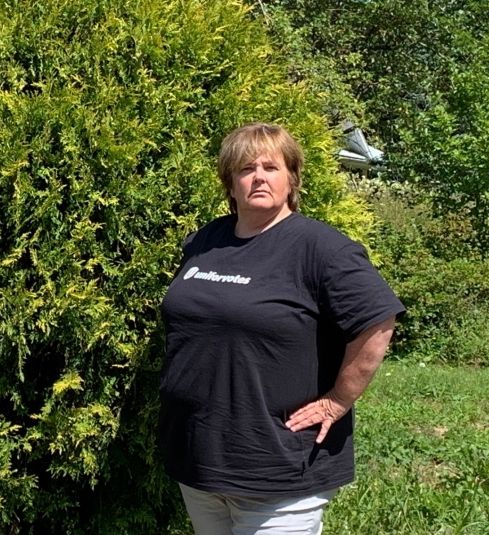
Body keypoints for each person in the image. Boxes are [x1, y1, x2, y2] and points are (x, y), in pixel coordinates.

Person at [158, 123, 405, 534]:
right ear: (229, 183)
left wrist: (338, 400)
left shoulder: (322, 249)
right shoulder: (206, 240)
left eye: (271, 167)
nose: (258, 177)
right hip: (199, 457)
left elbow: (378, 320)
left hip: (278, 466)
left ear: (291, 179)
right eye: (245, 168)